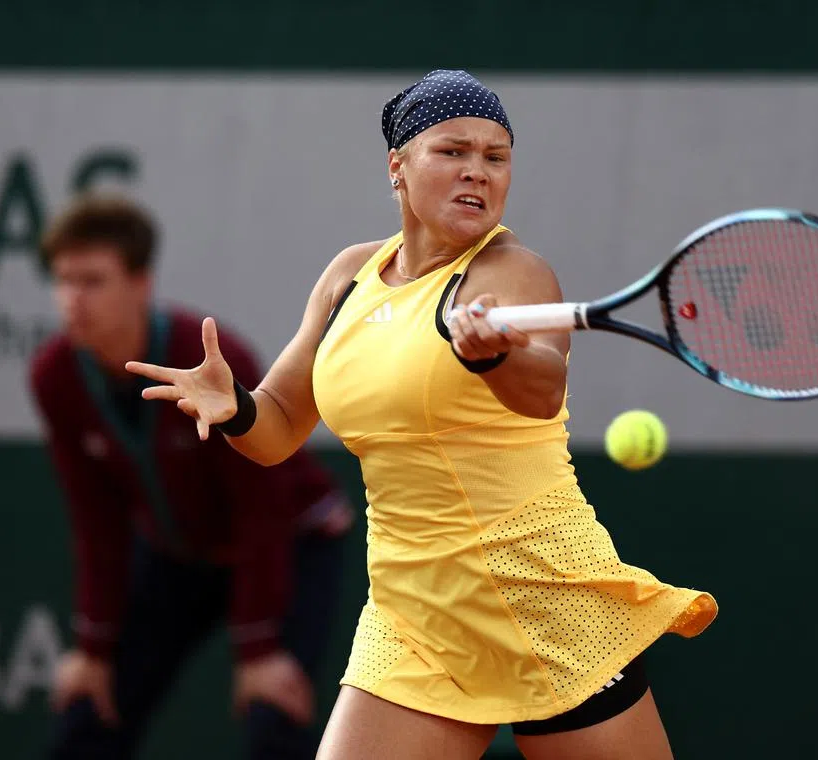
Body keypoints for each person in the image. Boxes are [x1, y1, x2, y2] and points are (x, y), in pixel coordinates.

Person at [127, 70, 718, 760]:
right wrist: (235, 409)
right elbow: (279, 426)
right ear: (397, 167)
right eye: (454, 152)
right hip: (414, 616)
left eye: (496, 158)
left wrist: (493, 356)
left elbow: (543, 390)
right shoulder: (350, 275)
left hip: (539, 595)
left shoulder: (512, 272)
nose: (478, 172)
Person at [28, 194, 354, 760]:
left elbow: (262, 508)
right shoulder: (55, 376)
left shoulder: (206, 358)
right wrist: (93, 647)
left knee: (274, 711)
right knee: (91, 705)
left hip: (289, 542)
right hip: (179, 555)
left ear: (140, 284)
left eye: (93, 281)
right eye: (63, 280)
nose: (72, 300)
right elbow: (97, 523)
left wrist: (257, 650)